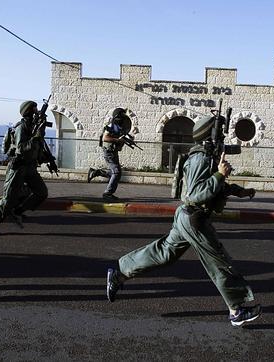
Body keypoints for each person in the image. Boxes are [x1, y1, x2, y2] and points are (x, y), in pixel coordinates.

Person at [105, 114, 261, 326]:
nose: (223, 137)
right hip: (194, 218)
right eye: (219, 133)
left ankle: (120, 273)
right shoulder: (201, 158)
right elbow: (196, 194)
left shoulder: (205, 156)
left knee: (164, 253)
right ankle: (237, 310)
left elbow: (209, 187)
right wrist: (220, 175)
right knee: (219, 263)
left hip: (186, 217)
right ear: (208, 135)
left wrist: (238, 191)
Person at [0, 101, 49, 236]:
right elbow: (20, 148)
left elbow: (38, 145)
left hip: (30, 166)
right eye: (34, 109)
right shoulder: (22, 126)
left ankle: (18, 211)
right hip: (18, 166)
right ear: (28, 111)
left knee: (41, 192)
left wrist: (44, 154)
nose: (37, 111)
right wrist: (36, 137)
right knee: (8, 198)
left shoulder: (33, 126)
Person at [87, 108, 127, 201]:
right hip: (108, 152)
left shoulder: (118, 127)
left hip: (113, 151)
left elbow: (118, 142)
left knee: (117, 173)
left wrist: (122, 142)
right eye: (122, 116)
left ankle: (96, 172)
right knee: (116, 172)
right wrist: (118, 140)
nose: (123, 118)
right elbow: (105, 138)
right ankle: (107, 194)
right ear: (118, 116)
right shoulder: (111, 125)